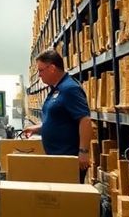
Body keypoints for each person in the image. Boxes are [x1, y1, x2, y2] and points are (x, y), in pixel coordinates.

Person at [22, 49, 91, 182]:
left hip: (68, 157)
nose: (40, 76)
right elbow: (58, 120)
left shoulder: (69, 89)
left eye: (41, 71)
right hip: (57, 156)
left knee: (68, 198)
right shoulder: (56, 89)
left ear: (52, 68)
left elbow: (85, 120)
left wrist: (83, 152)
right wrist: (37, 128)